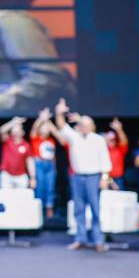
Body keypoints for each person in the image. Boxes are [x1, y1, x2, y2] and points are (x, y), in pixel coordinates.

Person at [56, 98, 111, 252]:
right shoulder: (74, 137)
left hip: (93, 177)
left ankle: (98, 240)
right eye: (82, 125)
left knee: (95, 210)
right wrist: (59, 112)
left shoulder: (98, 139)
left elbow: (105, 160)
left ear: (92, 127)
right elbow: (61, 125)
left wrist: (104, 178)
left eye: (87, 125)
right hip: (77, 177)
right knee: (78, 210)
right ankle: (80, 239)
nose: (84, 127)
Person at [30, 108, 60, 218]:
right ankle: (39, 210)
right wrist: (41, 119)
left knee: (50, 188)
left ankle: (49, 208)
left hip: (50, 165)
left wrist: (47, 121)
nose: (46, 129)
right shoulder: (36, 138)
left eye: (47, 128)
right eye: (44, 127)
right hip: (39, 164)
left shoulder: (51, 141)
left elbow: (53, 155)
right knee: (40, 187)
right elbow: (34, 128)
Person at [0, 116, 36, 190]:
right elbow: (2, 130)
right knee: (5, 198)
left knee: (21, 198)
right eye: (14, 128)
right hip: (7, 175)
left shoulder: (26, 145)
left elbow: (29, 161)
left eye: (18, 128)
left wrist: (32, 178)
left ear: (23, 132)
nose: (16, 130)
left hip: (21, 176)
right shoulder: (7, 140)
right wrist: (13, 122)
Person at [106, 118, 129, 190]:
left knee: (119, 199)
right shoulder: (103, 150)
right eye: (108, 140)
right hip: (106, 178)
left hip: (118, 179)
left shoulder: (119, 150)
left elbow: (124, 141)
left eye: (112, 140)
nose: (110, 142)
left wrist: (119, 129)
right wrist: (110, 181)